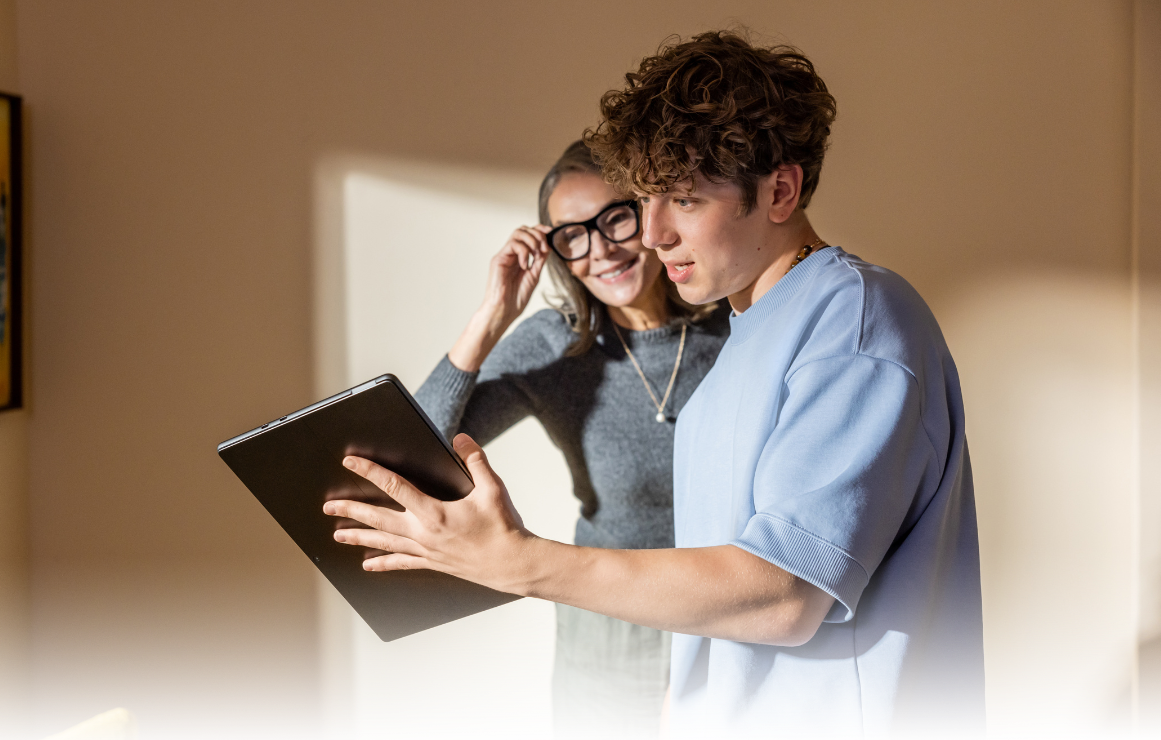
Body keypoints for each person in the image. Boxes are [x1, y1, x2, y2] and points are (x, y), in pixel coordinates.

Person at [326, 30, 985, 739]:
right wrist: (685, 706)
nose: (653, 232)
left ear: (781, 190)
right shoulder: (745, 337)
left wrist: (520, 562)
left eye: (683, 201)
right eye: (644, 200)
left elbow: (782, 595)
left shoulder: (854, 321)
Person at [412, 140, 729, 739]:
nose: (600, 250)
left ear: (650, 211)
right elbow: (420, 452)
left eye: (615, 217)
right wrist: (490, 318)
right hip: (610, 630)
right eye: (572, 236)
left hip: (727, 609)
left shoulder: (733, 322)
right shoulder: (556, 344)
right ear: (556, 252)